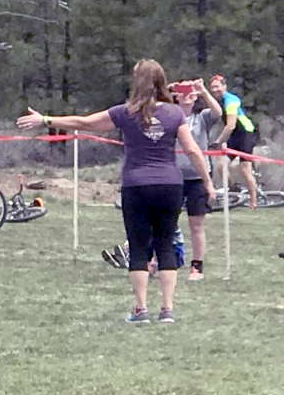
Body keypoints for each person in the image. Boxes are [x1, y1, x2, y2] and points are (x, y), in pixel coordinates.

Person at [18, 59, 215, 324]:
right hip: (170, 184)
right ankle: (167, 310)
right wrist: (207, 180)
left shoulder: (125, 112)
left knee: (138, 247)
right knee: (165, 244)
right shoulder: (174, 113)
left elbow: (85, 123)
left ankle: (141, 309)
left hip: (136, 185)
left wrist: (45, 119)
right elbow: (192, 149)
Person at [172, 79, 221, 280]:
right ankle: (159, 259)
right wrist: (166, 91)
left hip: (197, 178)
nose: (187, 95)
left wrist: (203, 91)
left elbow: (218, 113)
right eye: (182, 91)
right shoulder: (169, 115)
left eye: (190, 92)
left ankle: (197, 266)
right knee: (166, 222)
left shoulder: (201, 117)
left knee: (196, 224)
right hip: (172, 176)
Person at [209, 74, 259, 209]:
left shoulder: (230, 100)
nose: (214, 90)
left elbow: (230, 125)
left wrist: (218, 141)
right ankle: (234, 188)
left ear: (224, 87)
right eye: (212, 87)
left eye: (217, 86)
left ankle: (253, 201)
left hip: (245, 133)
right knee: (221, 165)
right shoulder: (217, 102)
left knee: (244, 169)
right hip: (234, 135)